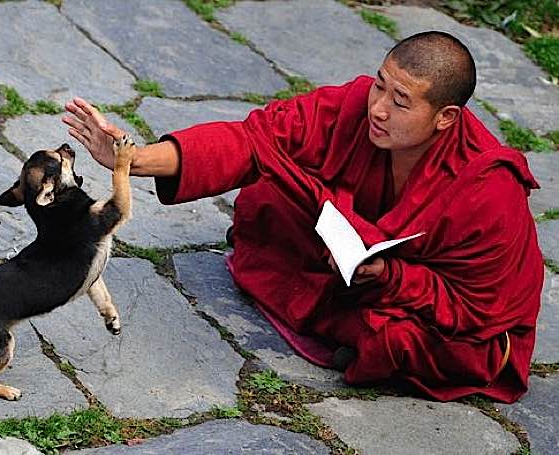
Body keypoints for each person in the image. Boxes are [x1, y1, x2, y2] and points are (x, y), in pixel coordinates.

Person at [62, 31, 544, 403]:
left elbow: (477, 307)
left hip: (444, 309)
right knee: (266, 200)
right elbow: (255, 140)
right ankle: (336, 312)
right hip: (355, 259)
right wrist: (133, 159)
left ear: (446, 118)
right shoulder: (357, 107)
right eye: (380, 85)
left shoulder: (489, 189)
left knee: (414, 341)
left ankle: (347, 326)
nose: (377, 108)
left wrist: (392, 275)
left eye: (401, 102)